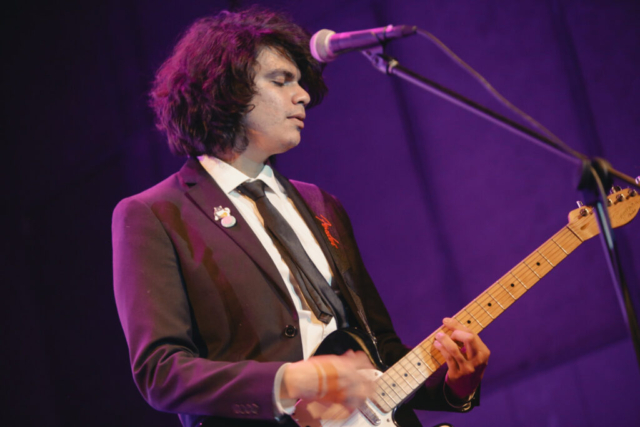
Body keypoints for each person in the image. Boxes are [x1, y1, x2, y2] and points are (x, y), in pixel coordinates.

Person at [112, 6, 490, 427]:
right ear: (226, 90)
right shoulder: (155, 214)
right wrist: (289, 381)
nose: (303, 95)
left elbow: (379, 349)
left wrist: (455, 384)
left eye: (299, 82)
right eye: (281, 81)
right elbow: (161, 372)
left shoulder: (320, 203)